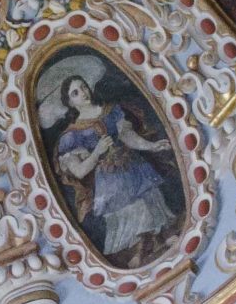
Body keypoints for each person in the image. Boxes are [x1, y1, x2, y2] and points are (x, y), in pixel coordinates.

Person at [54, 74, 176, 268]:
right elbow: (78, 172)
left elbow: (127, 135)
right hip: (109, 179)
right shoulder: (71, 135)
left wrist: (151, 146)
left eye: (84, 86)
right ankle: (142, 246)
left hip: (132, 165)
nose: (83, 93)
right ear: (69, 102)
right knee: (130, 209)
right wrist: (97, 152)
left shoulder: (111, 111)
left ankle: (163, 234)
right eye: (75, 93)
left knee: (149, 197)